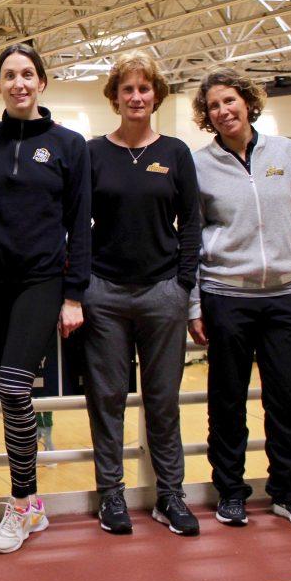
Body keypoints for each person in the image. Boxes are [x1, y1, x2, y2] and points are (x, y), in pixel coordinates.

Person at [0, 43, 90, 554]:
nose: (18, 83)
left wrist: (74, 293)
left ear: (42, 83)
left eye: (28, 74)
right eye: (9, 75)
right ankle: (31, 501)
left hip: (42, 280)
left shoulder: (68, 144)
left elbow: (80, 223)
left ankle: (20, 505)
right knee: (9, 397)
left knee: (15, 386)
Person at [187, 67, 291, 530]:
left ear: (247, 101)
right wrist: (194, 305)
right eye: (213, 106)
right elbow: (190, 236)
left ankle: (289, 491)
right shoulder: (199, 163)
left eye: (230, 101)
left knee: (286, 400)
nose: (224, 111)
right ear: (206, 116)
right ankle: (231, 492)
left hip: (287, 295)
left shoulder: (285, 153)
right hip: (226, 296)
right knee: (226, 401)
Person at [83, 52, 202, 537]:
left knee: (162, 399)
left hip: (162, 292)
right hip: (104, 294)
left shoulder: (175, 153)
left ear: (156, 96)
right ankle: (111, 494)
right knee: (107, 396)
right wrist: (83, 284)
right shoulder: (93, 153)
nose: (136, 97)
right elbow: (76, 223)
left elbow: (191, 222)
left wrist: (183, 284)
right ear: (114, 97)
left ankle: (170, 495)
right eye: (127, 90)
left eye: (144, 89)